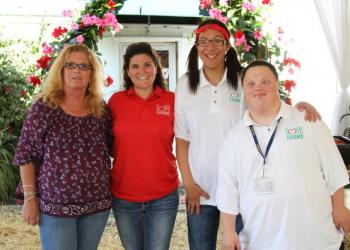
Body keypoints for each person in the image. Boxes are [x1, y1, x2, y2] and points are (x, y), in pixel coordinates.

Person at [174, 18, 320, 250]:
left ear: (227, 46)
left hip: (245, 187)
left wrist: (300, 106)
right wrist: (189, 184)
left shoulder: (243, 80)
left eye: (216, 41)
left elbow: (270, 108)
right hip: (201, 190)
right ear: (196, 46)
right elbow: (182, 138)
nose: (209, 47)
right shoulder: (185, 83)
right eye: (203, 41)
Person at [217, 60, 350, 250]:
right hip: (260, 241)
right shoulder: (233, 138)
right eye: (251, 84)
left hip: (318, 240)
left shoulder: (308, 120)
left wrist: (340, 207)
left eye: (265, 81)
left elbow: (334, 168)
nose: (258, 88)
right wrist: (229, 232)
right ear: (243, 89)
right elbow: (227, 191)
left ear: (277, 84)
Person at [13, 44, 113, 250]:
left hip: (97, 205)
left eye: (84, 66)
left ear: (91, 73)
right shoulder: (44, 108)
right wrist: (30, 199)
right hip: (55, 207)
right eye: (71, 65)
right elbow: (26, 155)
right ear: (61, 69)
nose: (77, 70)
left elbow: (114, 149)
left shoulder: (101, 109)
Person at [108, 42, 179, 250]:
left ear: (156, 68)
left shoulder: (172, 100)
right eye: (135, 66)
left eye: (147, 64)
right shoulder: (115, 101)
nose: (142, 71)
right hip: (124, 197)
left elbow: (186, 143)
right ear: (127, 72)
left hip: (164, 197)